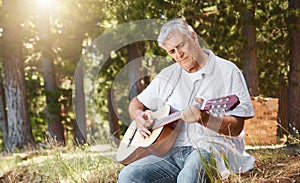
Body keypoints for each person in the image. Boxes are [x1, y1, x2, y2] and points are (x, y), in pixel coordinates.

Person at [118, 18, 255, 183]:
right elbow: (136, 103)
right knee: (128, 177)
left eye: (181, 45)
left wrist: (204, 118)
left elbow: (237, 126)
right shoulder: (167, 75)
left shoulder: (228, 71)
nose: (178, 55)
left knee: (188, 178)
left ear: (194, 37)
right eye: (172, 51)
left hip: (211, 149)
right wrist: (139, 116)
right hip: (171, 151)